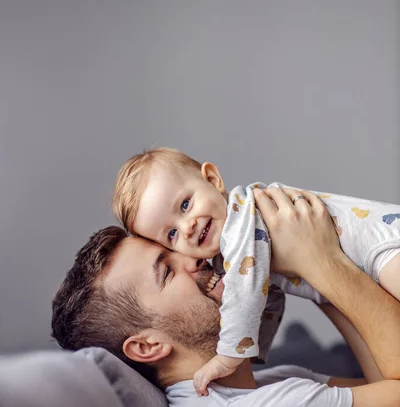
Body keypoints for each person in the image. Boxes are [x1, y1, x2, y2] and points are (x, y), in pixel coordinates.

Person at [52, 186, 400, 407]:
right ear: (147, 346)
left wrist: (312, 277)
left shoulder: (258, 390)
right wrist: (323, 264)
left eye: (174, 248)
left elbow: (388, 383)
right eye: (168, 271)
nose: (195, 257)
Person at [112, 147, 400, 394]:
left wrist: (228, 357)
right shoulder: (231, 253)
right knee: (384, 380)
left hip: (382, 243)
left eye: (186, 205)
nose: (187, 227)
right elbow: (267, 295)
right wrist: (259, 346)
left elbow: (246, 295)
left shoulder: (241, 224)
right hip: (359, 270)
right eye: (172, 234)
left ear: (212, 179)